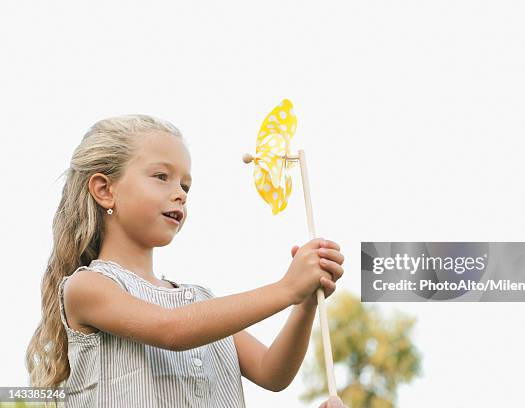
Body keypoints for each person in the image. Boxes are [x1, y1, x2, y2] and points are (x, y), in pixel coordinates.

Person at [25, 114, 345, 407]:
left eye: (185, 185)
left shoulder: (202, 302)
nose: (179, 192)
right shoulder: (88, 287)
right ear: (105, 190)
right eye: (162, 176)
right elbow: (173, 330)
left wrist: (303, 303)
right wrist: (286, 288)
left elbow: (271, 372)